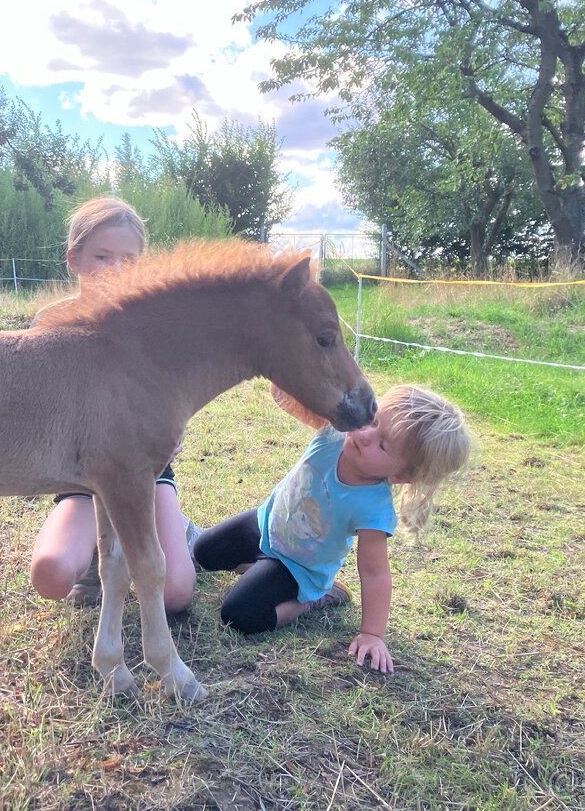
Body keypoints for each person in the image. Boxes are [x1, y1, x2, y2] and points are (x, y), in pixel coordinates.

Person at [193, 383, 471, 673]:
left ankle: (314, 599)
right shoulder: (335, 433)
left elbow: (375, 574)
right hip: (265, 524)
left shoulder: (373, 509)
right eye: (373, 420)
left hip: (297, 567)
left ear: (403, 474)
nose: (365, 435)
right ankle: (256, 566)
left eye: (383, 444)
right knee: (203, 551)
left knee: (239, 616)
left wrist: (372, 634)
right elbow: (287, 396)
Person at [29, 196, 200, 614]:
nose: (116, 269)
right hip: (81, 477)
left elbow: (176, 403)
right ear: (75, 259)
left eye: (129, 258)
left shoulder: (159, 328)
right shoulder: (50, 324)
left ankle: (177, 530)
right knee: (50, 574)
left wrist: (172, 433)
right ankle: (98, 549)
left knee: (175, 596)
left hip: (145, 474)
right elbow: (36, 408)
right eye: (102, 256)